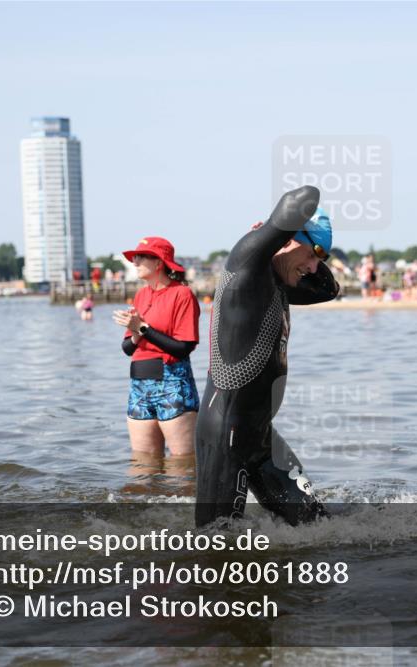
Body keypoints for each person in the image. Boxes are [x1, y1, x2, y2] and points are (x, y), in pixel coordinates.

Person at [195, 186, 339, 527]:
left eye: (322, 258)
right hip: (225, 433)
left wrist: (313, 246)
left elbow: (328, 290)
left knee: (316, 526)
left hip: (260, 434)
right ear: (288, 238)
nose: (314, 266)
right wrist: (278, 233)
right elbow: (304, 196)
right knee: (215, 545)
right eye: (313, 253)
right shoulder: (246, 265)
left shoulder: (278, 283)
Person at [112, 237, 201, 462]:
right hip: (139, 385)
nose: (135, 261)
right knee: (142, 464)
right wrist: (135, 332)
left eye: (141, 257)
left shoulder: (182, 294)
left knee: (182, 464)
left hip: (172, 383)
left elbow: (183, 348)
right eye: (134, 257)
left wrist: (142, 327)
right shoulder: (141, 295)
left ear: (159, 262)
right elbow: (127, 348)